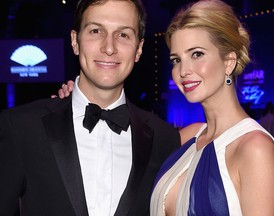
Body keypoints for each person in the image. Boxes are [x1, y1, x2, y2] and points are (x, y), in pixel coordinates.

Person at [0, 0, 180, 215]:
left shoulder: (165, 139)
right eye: (96, 31)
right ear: (75, 41)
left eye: (123, 35)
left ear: (139, 49)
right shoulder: (21, 126)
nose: (109, 47)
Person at [149, 0, 274, 215]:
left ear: (229, 62)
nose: (183, 70)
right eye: (176, 59)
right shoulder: (188, 137)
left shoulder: (254, 148)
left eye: (197, 54)